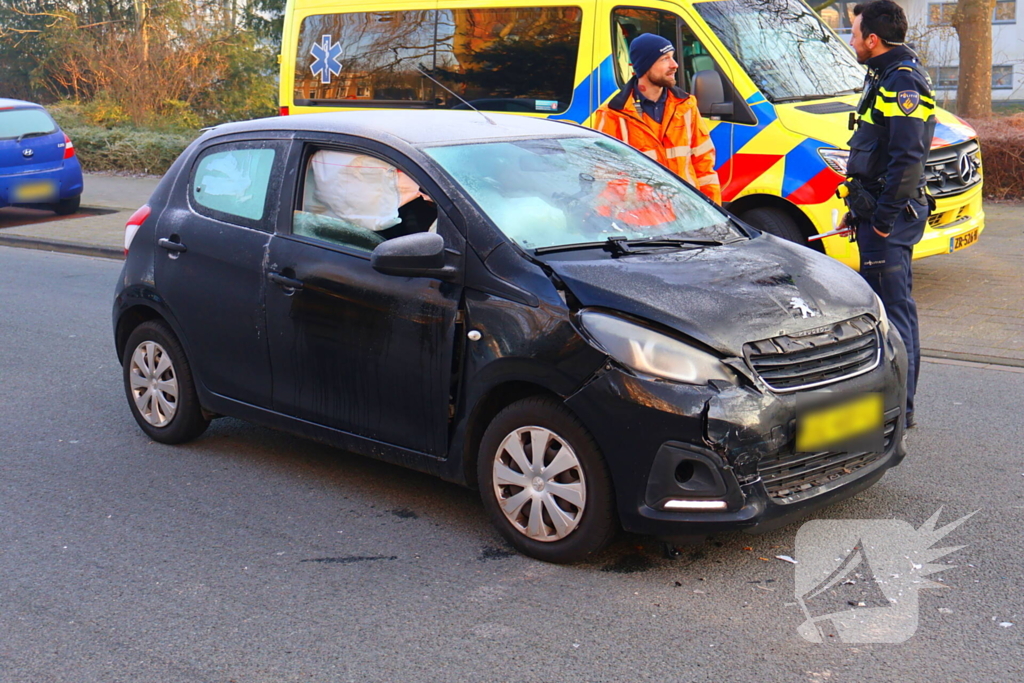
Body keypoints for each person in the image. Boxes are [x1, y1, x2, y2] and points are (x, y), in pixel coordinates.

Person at [845, 0, 935, 429]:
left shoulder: (903, 83)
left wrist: (881, 219)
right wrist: (857, 210)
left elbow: (907, 160)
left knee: (895, 315)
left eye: (854, 33)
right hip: (878, 212)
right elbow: (876, 154)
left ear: (873, 39)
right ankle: (895, 404)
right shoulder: (883, 74)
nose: (852, 41)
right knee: (890, 309)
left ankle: (902, 410)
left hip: (892, 219)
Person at [593, 33, 722, 205]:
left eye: (673, 57)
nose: (674, 65)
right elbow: (604, 177)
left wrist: (713, 214)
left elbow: (704, 167)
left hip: (686, 217)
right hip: (639, 222)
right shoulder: (612, 114)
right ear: (645, 66)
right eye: (665, 59)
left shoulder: (686, 106)